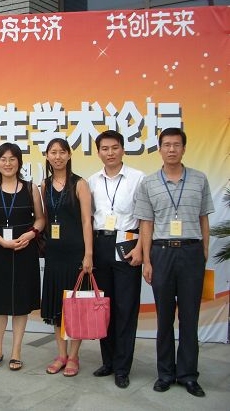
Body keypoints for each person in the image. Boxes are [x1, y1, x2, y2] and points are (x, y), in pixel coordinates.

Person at [134, 127, 214, 398]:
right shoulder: (149, 183)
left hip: (191, 253)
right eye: (166, 145)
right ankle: (165, 374)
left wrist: (204, 250)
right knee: (164, 318)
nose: (171, 149)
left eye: (176, 144)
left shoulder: (199, 179)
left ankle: (189, 375)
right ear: (159, 149)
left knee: (190, 317)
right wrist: (147, 260)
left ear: (183, 148)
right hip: (162, 253)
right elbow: (146, 224)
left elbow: (204, 218)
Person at [0, 142, 45, 371]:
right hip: (1, 251)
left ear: (19, 162)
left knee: (21, 303)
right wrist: (1, 242)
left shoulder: (30, 188)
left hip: (25, 250)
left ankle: (16, 351)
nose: (7, 163)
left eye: (12, 159)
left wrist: (31, 233)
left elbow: (40, 219)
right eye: (3, 159)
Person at [88, 130, 145, 388]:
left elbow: (146, 218)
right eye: (104, 148)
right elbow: (89, 218)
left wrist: (141, 247)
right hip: (101, 243)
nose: (110, 153)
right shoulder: (92, 181)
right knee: (104, 306)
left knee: (126, 308)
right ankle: (108, 361)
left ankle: (122, 368)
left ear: (122, 149)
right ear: (98, 152)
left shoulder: (137, 178)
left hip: (128, 244)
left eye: (114, 148)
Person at [40, 138, 93, 377]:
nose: (58, 156)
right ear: (47, 156)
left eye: (62, 152)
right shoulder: (45, 185)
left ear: (69, 155)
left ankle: (73, 356)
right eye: (53, 152)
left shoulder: (79, 184)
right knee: (56, 306)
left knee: (75, 307)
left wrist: (88, 254)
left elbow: (86, 221)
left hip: (75, 255)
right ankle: (61, 354)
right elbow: (44, 218)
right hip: (54, 255)